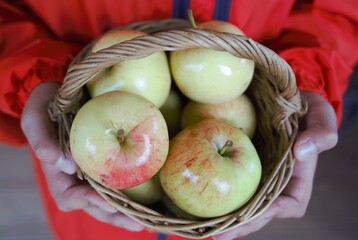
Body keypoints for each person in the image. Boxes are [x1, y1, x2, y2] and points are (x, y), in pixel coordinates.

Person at [0, 0, 357, 239]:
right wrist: (35, 78)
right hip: (92, 172)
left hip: (255, 79)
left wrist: (309, 75)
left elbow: (337, 10)